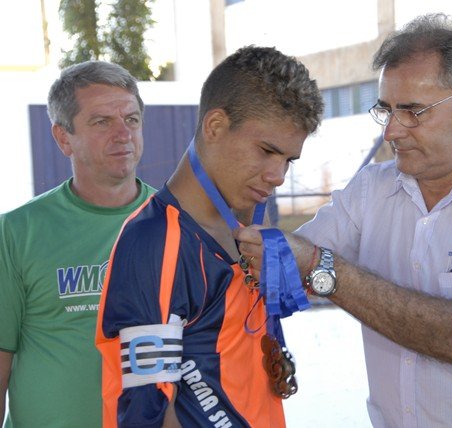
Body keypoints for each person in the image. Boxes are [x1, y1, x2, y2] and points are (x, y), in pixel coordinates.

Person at [235, 14, 452, 427]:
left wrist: (321, 268)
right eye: (386, 110)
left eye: (414, 112)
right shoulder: (371, 190)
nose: (391, 132)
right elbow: (279, 264)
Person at [95, 45, 323, 427]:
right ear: (215, 126)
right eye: (266, 151)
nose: (278, 176)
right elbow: (147, 412)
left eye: (288, 160)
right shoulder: (155, 242)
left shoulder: (247, 227)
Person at [0, 61, 154, 427]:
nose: (123, 134)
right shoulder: (17, 232)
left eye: (131, 119)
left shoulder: (176, 225)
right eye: (102, 122)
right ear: (63, 137)